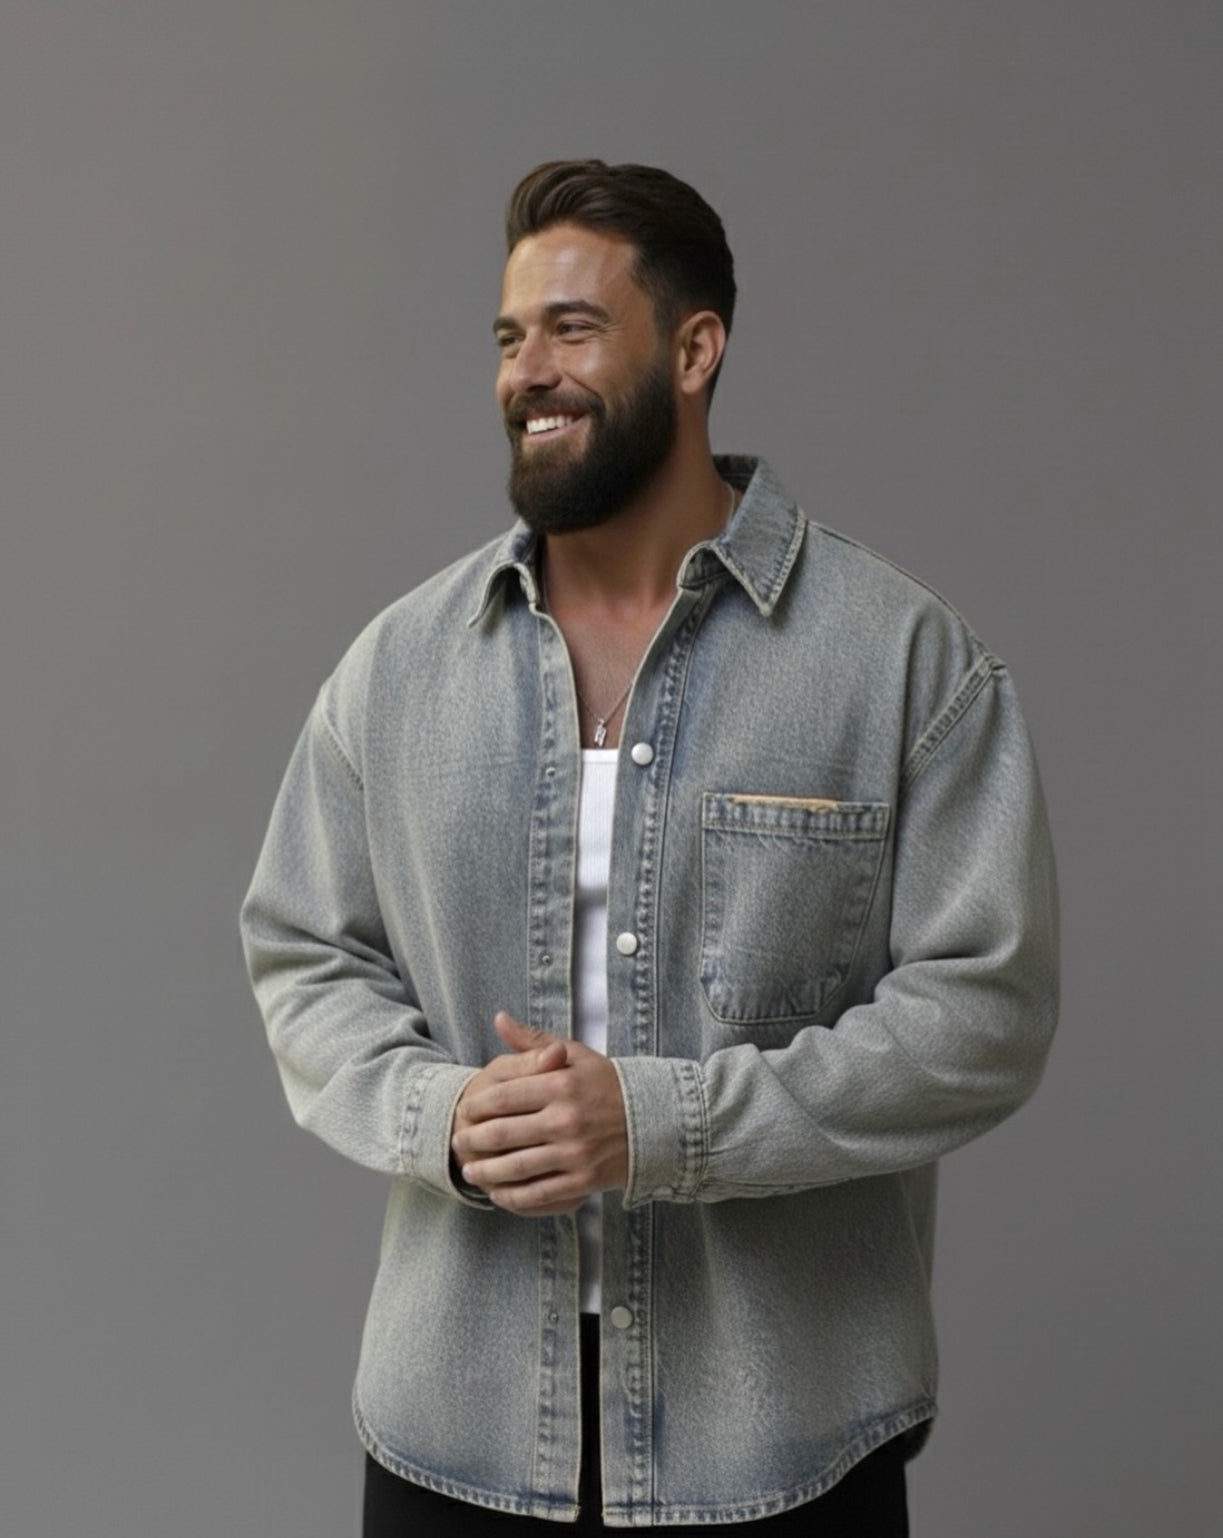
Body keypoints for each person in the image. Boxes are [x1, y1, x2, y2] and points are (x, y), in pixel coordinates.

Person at [241, 159, 1058, 1536]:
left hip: (779, 1442)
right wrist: (443, 1117)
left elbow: (984, 1013)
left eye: (572, 329)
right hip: (458, 1434)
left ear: (694, 350)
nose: (528, 372)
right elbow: (300, 953)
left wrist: (662, 1123)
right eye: (510, 336)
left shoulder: (898, 661)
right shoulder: (397, 669)